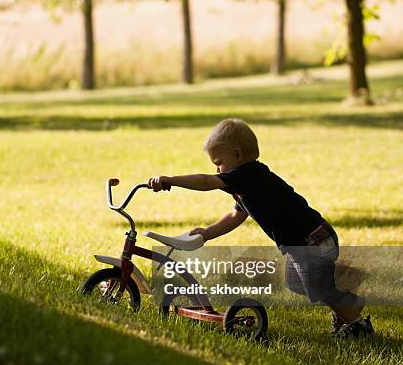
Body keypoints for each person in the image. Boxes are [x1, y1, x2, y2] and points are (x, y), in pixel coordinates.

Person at [148, 118, 373, 338]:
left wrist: (171, 180)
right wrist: (208, 233)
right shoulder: (247, 184)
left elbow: (207, 182)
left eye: (218, 162)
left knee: (317, 287)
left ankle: (355, 322)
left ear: (237, 154)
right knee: (296, 283)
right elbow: (235, 215)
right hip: (303, 241)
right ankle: (347, 301)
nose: (217, 169)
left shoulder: (250, 175)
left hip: (312, 239)